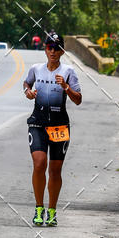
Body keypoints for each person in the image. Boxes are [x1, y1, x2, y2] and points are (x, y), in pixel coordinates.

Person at [23, 31, 82, 227]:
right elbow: (26, 83)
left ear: (62, 51)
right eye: (50, 48)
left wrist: (66, 87)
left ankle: (52, 211)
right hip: (38, 123)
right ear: (45, 49)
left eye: (57, 48)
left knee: (55, 171)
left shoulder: (68, 71)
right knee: (40, 164)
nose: (53, 52)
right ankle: (39, 208)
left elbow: (78, 99)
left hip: (59, 125)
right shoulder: (36, 69)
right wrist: (28, 92)